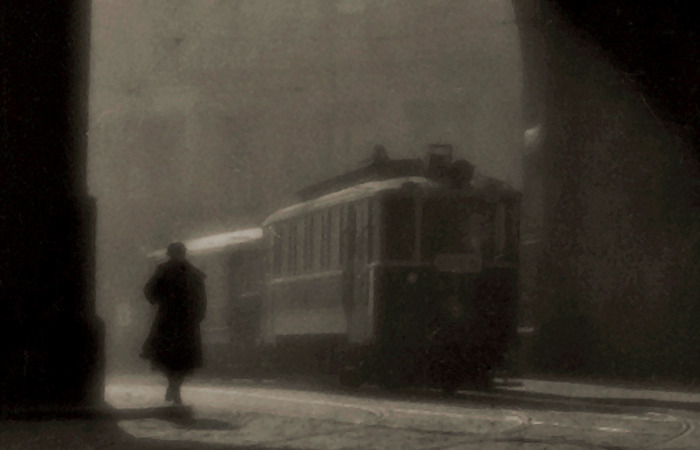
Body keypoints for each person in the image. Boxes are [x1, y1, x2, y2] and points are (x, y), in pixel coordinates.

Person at [141, 242, 207, 405]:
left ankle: (173, 386)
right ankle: (175, 387)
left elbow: (149, 291)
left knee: (166, 356)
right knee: (184, 358)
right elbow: (201, 298)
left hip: (168, 319)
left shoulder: (163, 270)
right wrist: (198, 314)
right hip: (186, 320)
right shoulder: (193, 273)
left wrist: (160, 300)